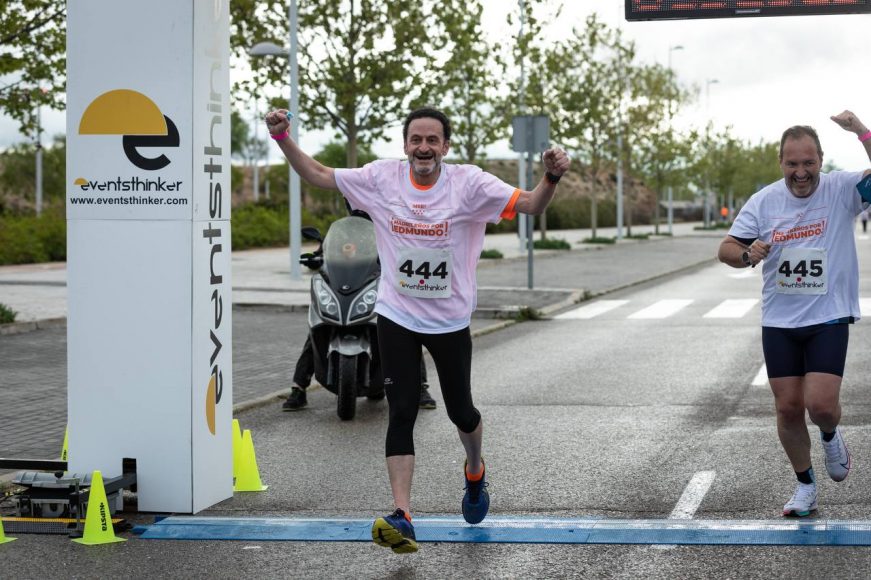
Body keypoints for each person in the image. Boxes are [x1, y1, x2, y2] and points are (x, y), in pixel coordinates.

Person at [266, 106, 569, 553]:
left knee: (460, 411)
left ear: (445, 146)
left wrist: (551, 178)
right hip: (397, 314)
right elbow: (318, 174)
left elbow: (529, 205)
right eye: (416, 140)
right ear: (405, 144)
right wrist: (282, 137)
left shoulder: (470, 184)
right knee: (401, 408)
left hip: (449, 320)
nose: (423, 148)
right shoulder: (380, 178)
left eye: (432, 140)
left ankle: (474, 469)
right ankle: (403, 514)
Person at [717, 110, 871, 518]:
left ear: (821, 160)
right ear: (781, 163)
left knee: (820, 406)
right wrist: (749, 253)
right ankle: (805, 486)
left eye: (808, 163)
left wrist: (860, 131)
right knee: (787, 408)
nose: (800, 173)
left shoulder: (842, 189)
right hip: (780, 321)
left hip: (828, 315)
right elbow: (726, 248)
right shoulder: (765, 200)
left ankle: (830, 432)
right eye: (792, 164)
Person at [282, 337, 436, 411]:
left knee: (407, 333)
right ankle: (299, 387)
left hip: (374, 293)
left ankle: (420, 386)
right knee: (316, 332)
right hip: (341, 293)